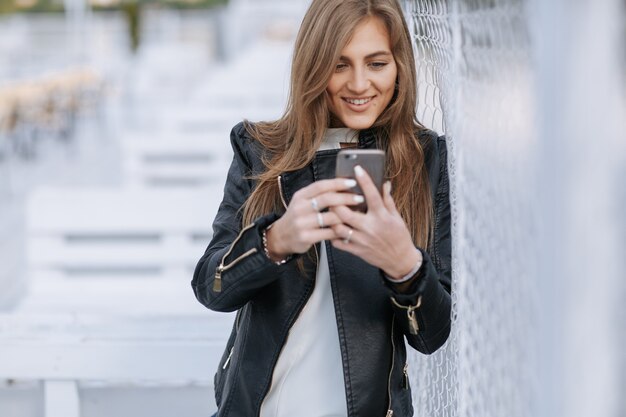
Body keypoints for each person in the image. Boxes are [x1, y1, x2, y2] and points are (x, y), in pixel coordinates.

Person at [192, 0, 452, 416]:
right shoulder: (259, 149)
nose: (360, 84)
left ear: (400, 66)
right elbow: (211, 287)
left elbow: (431, 335)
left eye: (377, 63)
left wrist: (406, 266)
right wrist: (275, 241)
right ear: (313, 67)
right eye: (339, 64)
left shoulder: (423, 159)